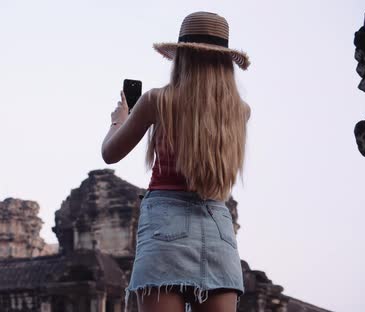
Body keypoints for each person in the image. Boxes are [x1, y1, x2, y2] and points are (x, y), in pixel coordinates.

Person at [101, 11, 251, 312]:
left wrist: (120, 121)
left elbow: (110, 153)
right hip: (219, 226)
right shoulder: (240, 110)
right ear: (225, 63)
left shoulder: (159, 100)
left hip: (165, 225)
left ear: (181, 57)